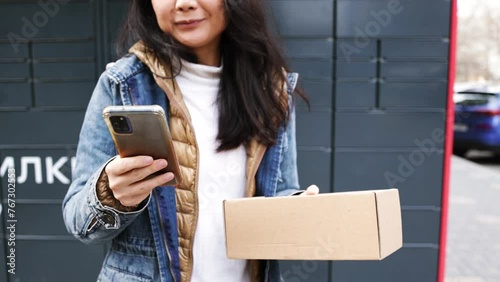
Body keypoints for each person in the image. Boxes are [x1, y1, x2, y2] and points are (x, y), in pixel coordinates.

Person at [63, 0, 319, 281]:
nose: (184, 4)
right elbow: (79, 222)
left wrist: (297, 207)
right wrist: (110, 194)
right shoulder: (123, 83)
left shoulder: (271, 88)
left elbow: (280, 189)